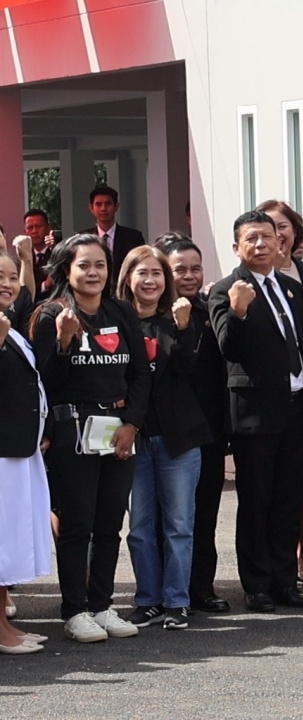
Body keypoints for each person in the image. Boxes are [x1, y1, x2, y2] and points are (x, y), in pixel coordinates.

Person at [32, 234, 150, 641]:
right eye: (84, 265)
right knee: (77, 523)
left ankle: (102, 605)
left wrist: (132, 423)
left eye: (100, 264)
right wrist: (64, 342)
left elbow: (140, 374)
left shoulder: (121, 312)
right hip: (72, 430)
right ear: (66, 270)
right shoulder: (51, 314)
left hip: (118, 429)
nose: (93, 272)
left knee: (109, 523)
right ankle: (74, 610)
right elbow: (46, 383)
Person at [208, 210, 303, 613]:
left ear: (279, 242)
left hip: (297, 407)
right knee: (257, 503)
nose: (260, 244)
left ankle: (285, 582)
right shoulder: (225, 290)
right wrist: (237, 311)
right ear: (236, 247)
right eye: (251, 238)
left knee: (289, 500)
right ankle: (257, 586)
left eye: (266, 237)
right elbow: (229, 349)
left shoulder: (291, 288)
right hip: (256, 413)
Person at [116, 246, 211, 630]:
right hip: (133, 439)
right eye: (142, 273)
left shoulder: (179, 319)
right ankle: (148, 600)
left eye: (157, 273)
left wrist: (185, 328)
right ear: (128, 278)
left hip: (179, 439)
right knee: (140, 528)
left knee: (179, 526)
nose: (150, 280)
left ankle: (177, 601)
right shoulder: (115, 323)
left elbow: (189, 371)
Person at [161, 237, 232, 614]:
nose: (189, 276)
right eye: (180, 269)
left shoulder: (210, 309)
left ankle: (201, 586)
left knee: (204, 515)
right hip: (166, 431)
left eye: (195, 268)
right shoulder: (154, 313)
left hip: (208, 430)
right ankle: (165, 591)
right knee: (166, 518)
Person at [0, 250, 52, 654]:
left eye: (12, 276)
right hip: (3, 453)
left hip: (20, 450)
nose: (7, 283)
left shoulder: (11, 327)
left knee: (10, 543)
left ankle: (4, 623)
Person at [81, 186, 145, 294]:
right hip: (92, 292)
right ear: (91, 208)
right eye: (98, 204)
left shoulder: (133, 237)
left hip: (125, 293)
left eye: (108, 204)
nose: (103, 208)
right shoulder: (83, 238)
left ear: (116, 207)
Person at [257, 200, 303, 296]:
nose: (277, 234)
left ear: (295, 231)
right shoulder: (247, 279)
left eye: (282, 227)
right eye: (269, 229)